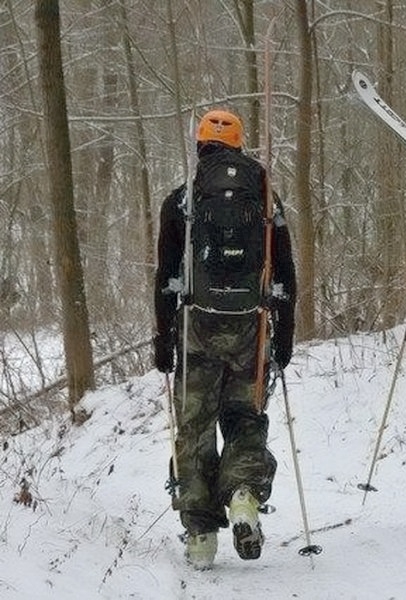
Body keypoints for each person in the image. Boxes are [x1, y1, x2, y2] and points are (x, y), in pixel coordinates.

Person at [153, 109, 296, 569]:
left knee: (194, 430)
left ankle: (199, 537)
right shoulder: (266, 202)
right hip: (250, 332)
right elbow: (285, 276)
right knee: (244, 420)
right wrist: (284, 337)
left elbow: (166, 276)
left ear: (200, 148)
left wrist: (162, 339)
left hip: (197, 330)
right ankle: (241, 494)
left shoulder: (182, 201)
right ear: (239, 147)